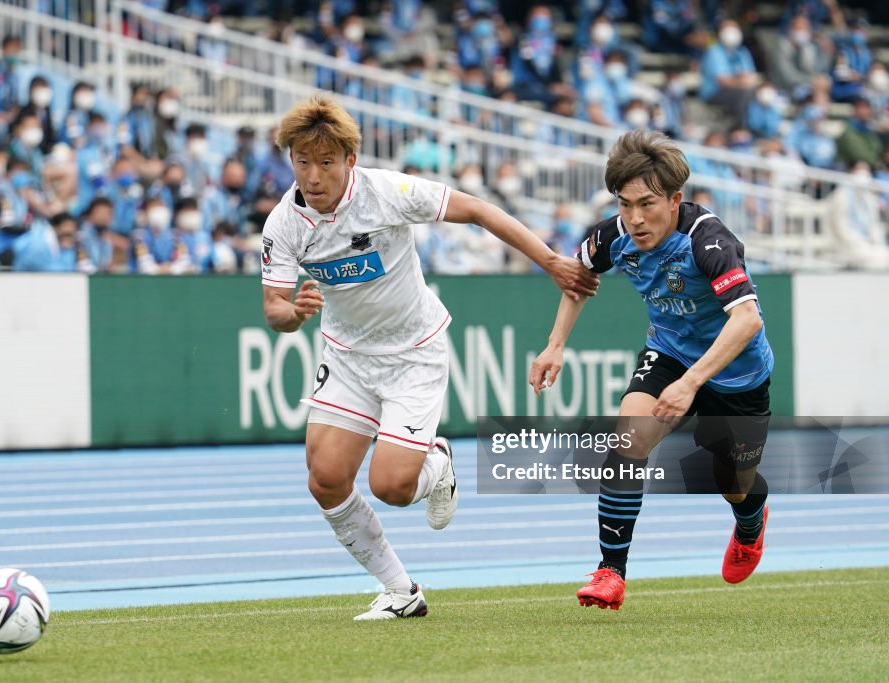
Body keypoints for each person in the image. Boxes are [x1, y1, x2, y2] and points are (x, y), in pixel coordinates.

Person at [261, 95, 597, 621]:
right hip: (348, 356)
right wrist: (294, 312)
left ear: (349, 160)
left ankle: (437, 463)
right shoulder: (283, 224)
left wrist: (551, 261)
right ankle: (401, 591)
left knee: (392, 487)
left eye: (326, 162)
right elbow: (274, 311)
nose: (314, 175)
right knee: (325, 477)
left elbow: (479, 210)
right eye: (303, 161)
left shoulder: (386, 192)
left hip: (414, 352)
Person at [529, 130, 774, 611]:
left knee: (734, 484)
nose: (635, 219)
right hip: (668, 353)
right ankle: (610, 572)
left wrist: (692, 383)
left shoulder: (709, 239)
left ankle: (751, 522)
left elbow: (747, 319)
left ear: (675, 199)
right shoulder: (612, 237)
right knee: (628, 439)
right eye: (625, 205)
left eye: (647, 204)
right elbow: (579, 281)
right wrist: (554, 345)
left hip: (736, 371)